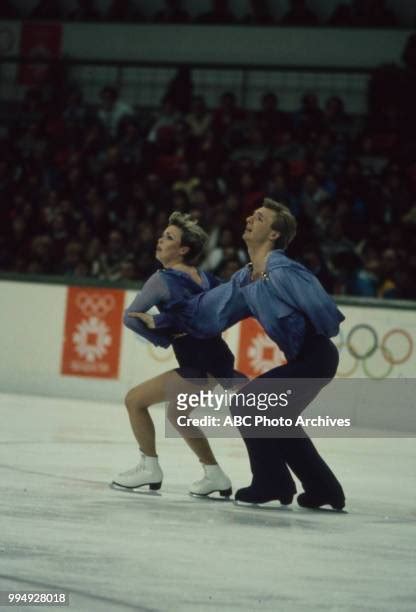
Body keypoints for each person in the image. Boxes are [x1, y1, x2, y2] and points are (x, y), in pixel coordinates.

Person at [137, 200, 346, 510]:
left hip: (316, 356)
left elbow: (326, 316)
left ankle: (271, 482)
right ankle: (324, 489)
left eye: (259, 218)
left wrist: (302, 333)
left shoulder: (284, 270)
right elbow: (208, 309)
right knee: (277, 419)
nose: (249, 218)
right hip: (304, 359)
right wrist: (162, 320)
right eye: (252, 214)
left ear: (273, 234)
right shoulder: (246, 278)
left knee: (247, 402)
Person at [113, 212, 245, 498]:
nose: (160, 240)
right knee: (178, 414)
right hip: (218, 360)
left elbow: (131, 317)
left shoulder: (161, 280)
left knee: (134, 400)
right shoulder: (209, 279)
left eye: (169, 237)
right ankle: (215, 475)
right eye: (162, 235)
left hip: (198, 365)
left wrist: (164, 335)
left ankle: (149, 467)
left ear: (183, 249)